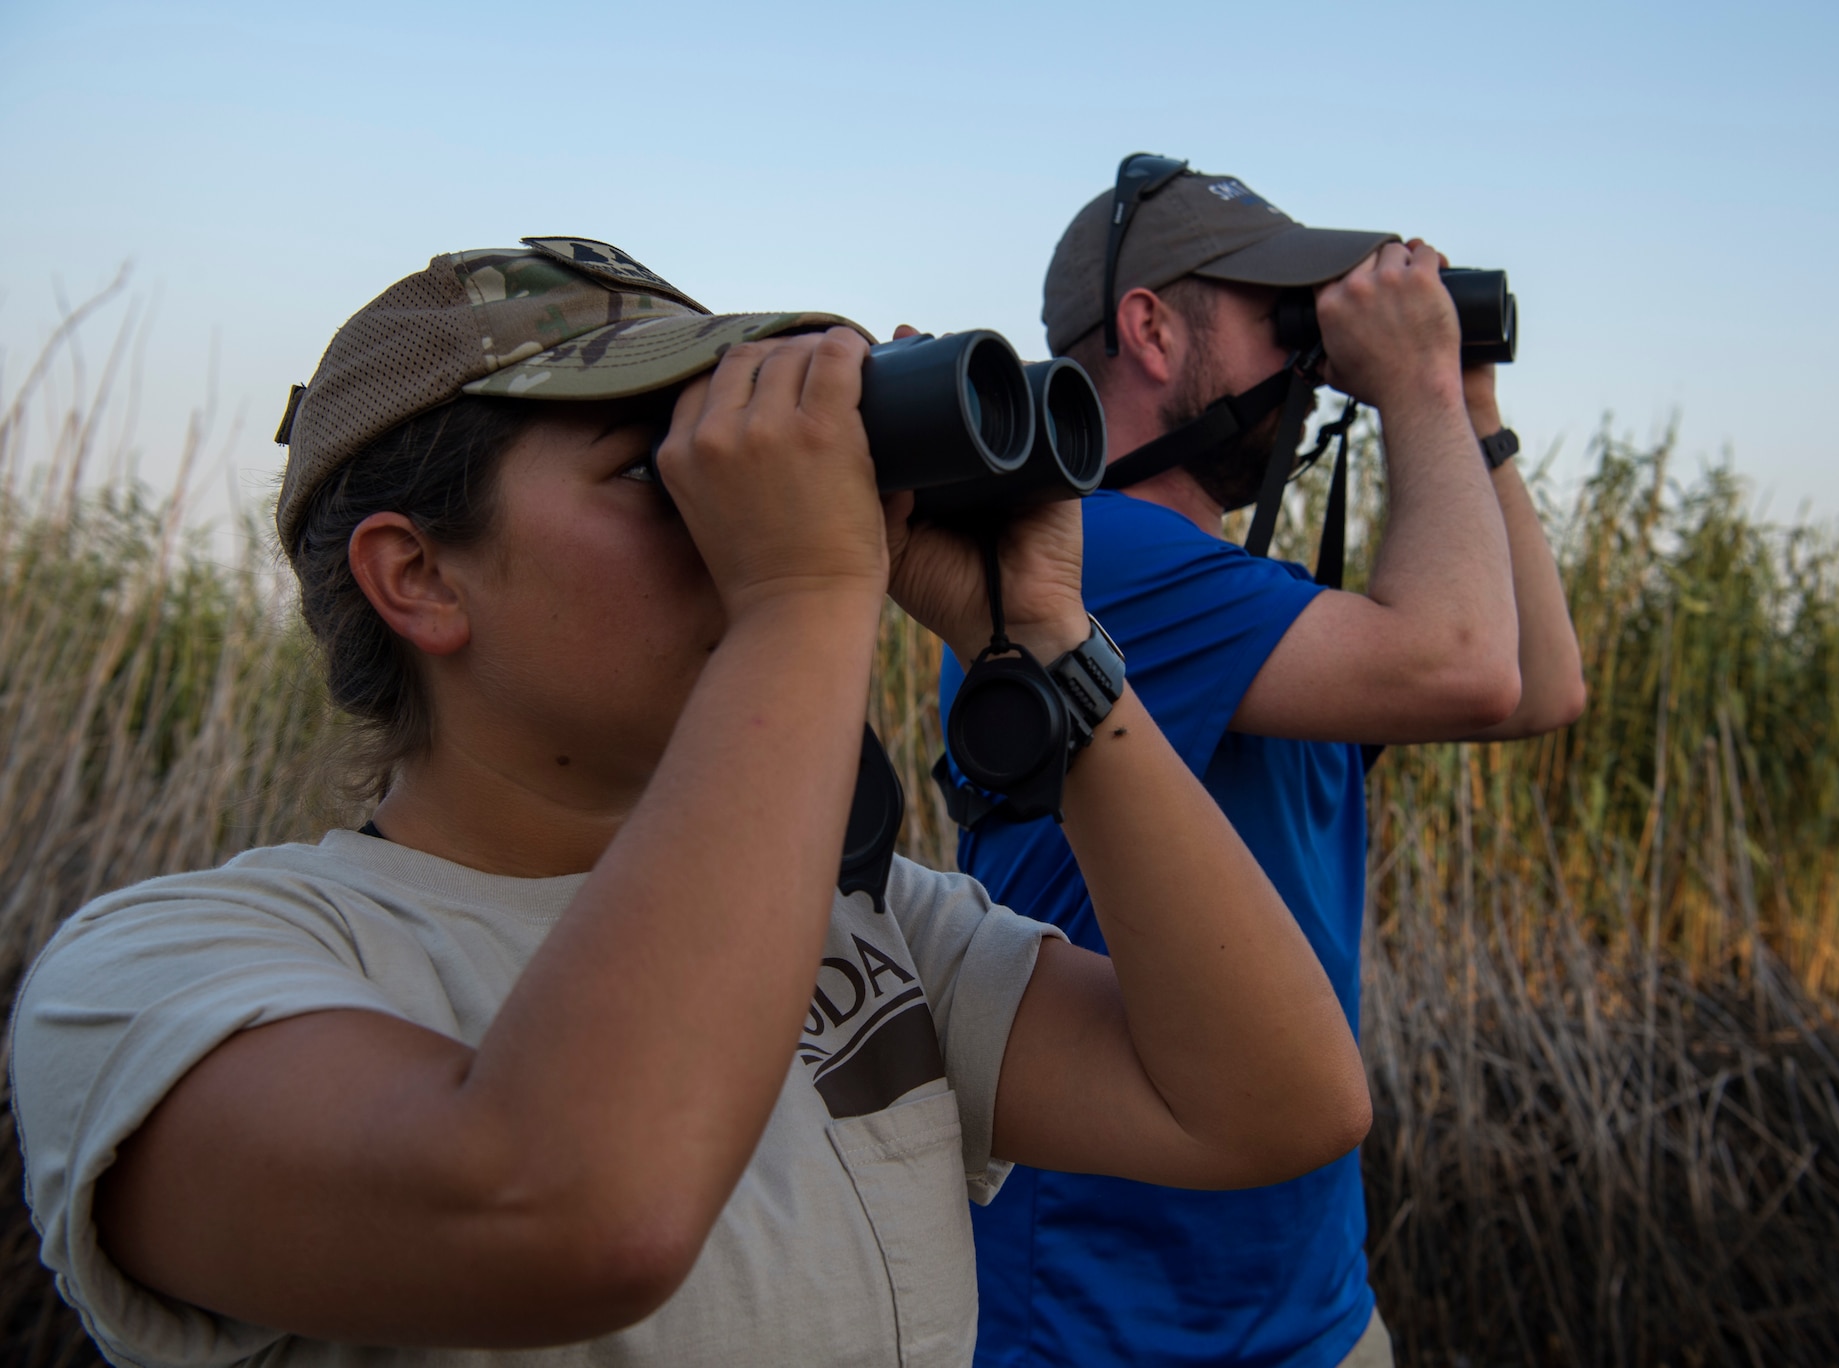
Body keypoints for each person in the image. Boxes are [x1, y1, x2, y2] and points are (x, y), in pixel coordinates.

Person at [7, 238, 1374, 1368]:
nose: (750, 520)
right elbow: (573, 1210)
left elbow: (1274, 1105)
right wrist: (798, 598)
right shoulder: (162, 979)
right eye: (666, 473)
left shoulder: (870, 931)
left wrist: (1049, 647)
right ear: (418, 576)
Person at [939, 162, 1588, 1366]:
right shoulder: (1081, 561)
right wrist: (1411, 393)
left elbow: (1539, 684)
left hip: (1307, 1307)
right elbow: (1465, 665)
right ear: (1147, 327)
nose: (1308, 350)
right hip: (1108, 1323)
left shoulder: (1240, 604)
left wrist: (1466, 401)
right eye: (1278, 313)